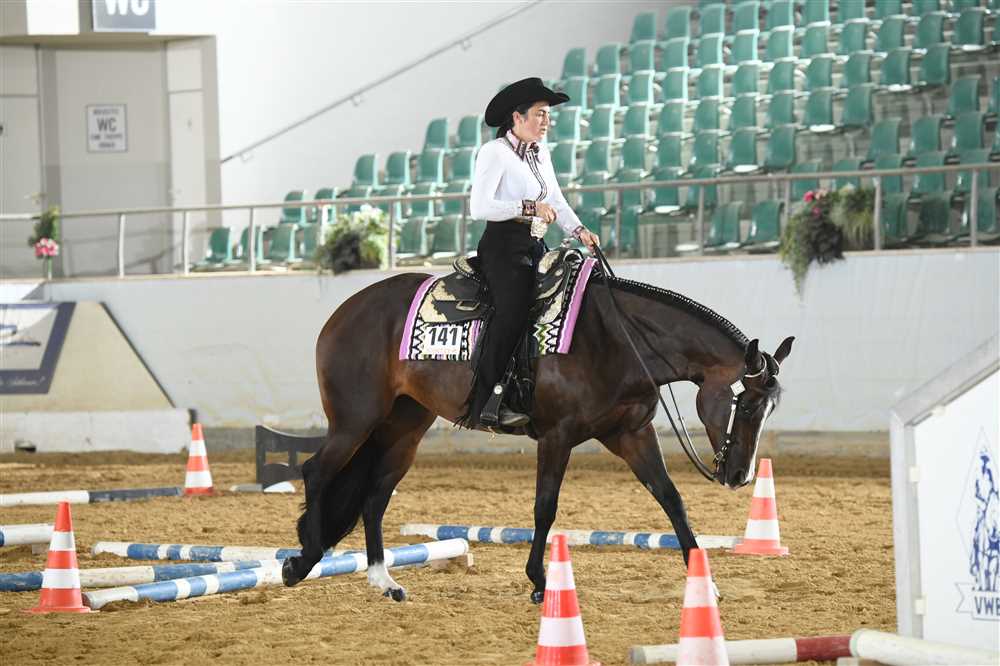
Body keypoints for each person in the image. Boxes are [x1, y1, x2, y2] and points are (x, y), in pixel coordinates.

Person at [460, 77, 600, 429]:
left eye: (548, 115)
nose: (546, 121)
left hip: (535, 244)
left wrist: (579, 230)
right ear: (517, 117)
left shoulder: (541, 152)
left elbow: (555, 200)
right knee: (514, 310)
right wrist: (529, 207)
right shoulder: (494, 152)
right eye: (540, 113)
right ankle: (486, 402)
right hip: (503, 247)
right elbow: (479, 207)